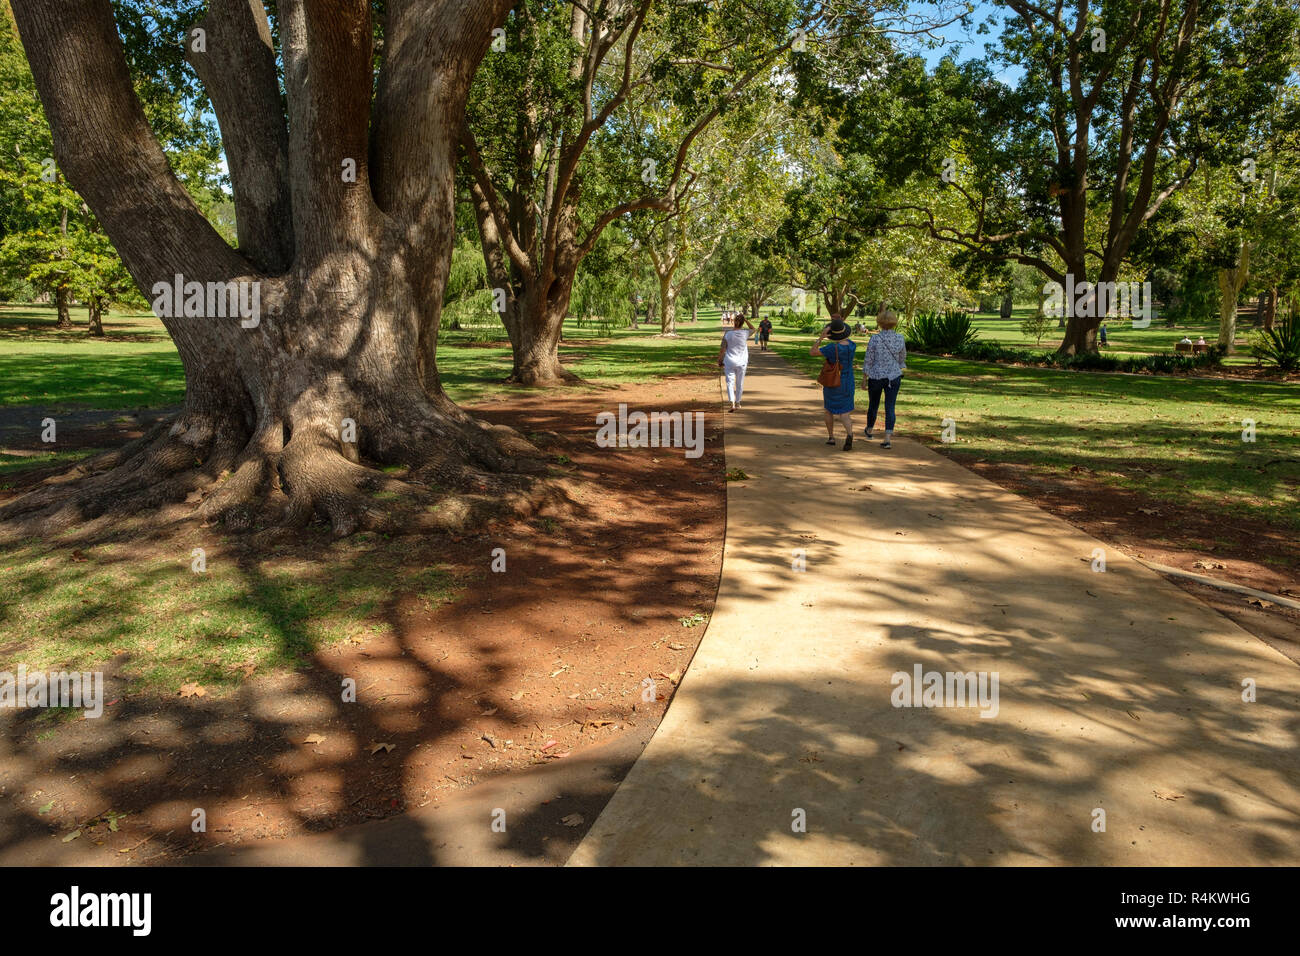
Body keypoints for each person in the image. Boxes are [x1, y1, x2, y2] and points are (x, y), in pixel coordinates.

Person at [862, 308, 906, 449]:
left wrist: (864, 378)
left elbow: (868, 359)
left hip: (876, 376)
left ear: (880, 323)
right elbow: (902, 358)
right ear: (894, 323)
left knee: (873, 405)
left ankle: (869, 429)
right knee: (890, 406)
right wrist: (895, 366)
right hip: (893, 376)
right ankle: (887, 438)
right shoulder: (900, 338)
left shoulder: (875, 338)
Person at [810, 315, 856, 449]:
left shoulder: (832, 348)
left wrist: (821, 337)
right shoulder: (852, 345)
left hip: (834, 382)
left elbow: (812, 352)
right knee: (845, 413)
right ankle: (850, 434)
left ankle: (831, 437)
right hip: (848, 381)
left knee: (829, 410)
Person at [718, 314, 755, 411]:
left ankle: (732, 403)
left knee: (730, 382)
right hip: (742, 362)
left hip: (729, 361)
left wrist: (720, 361)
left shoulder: (727, 334)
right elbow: (753, 329)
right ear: (743, 323)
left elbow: (722, 350)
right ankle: (738, 403)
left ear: (734, 322)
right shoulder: (745, 333)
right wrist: (746, 319)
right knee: (740, 383)